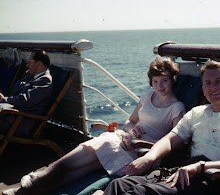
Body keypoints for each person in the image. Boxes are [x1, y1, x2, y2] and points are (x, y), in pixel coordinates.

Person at [2, 56, 186, 195]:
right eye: (155, 81)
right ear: (151, 82)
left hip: (140, 152)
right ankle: (32, 186)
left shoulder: (176, 107)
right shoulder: (147, 97)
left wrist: (141, 145)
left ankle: (30, 185)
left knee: (85, 164)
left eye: (164, 80)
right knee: (81, 160)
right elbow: (130, 122)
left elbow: (172, 143)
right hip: (125, 139)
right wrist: (131, 131)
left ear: (172, 80)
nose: (160, 86)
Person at [103, 60, 220, 195]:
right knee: (118, 185)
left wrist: (200, 166)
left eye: (219, 82)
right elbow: (170, 139)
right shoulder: (197, 113)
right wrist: (150, 157)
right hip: (185, 171)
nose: (213, 87)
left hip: (215, 180)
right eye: (207, 83)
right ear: (203, 89)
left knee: (140, 192)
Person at [0, 50, 52, 136]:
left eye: (29, 62)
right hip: (12, 117)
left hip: (19, 123)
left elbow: (25, 100)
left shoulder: (45, 81)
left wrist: (3, 99)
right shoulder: (35, 78)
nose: (27, 66)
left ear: (39, 64)